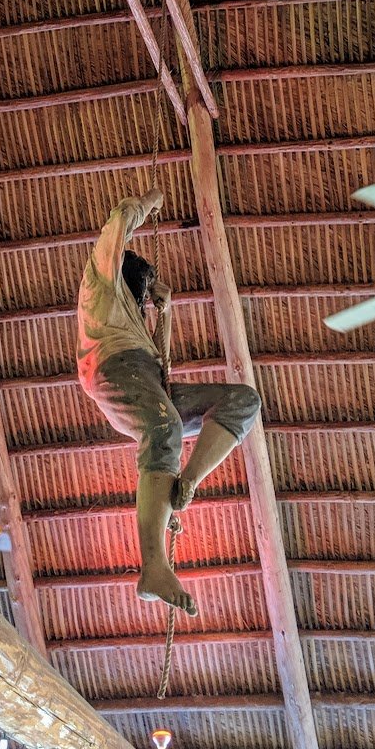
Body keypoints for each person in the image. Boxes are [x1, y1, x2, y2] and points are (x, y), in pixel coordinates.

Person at [77, 187, 261, 616]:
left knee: (242, 401)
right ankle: (153, 567)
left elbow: (163, 368)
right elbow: (121, 215)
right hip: (113, 368)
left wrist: (167, 311)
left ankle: (186, 482)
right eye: (140, 296)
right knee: (164, 429)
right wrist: (153, 200)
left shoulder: (138, 319)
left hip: (146, 377)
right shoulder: (102, 279)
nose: (142, 304)